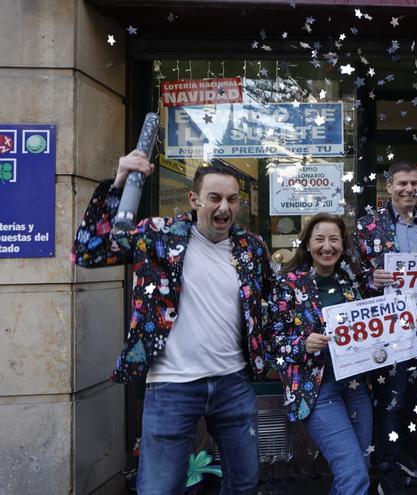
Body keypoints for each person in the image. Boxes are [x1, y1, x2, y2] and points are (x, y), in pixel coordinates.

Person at [71, 151, 272, 494]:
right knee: (160, 488)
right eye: (214, 198)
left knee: (244, 483)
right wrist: (117, 183)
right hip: (172, 385)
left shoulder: (251, 247)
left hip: (232, 383)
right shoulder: (158, 234)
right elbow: (89, 251)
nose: (224, 207)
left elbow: (270, 299)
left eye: (232, 199)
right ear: (194, 199)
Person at [353, 161, 417, 495]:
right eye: (402, 184)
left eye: (414, 184)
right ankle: (388, 468)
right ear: (388, 186)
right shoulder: (368, 226)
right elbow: (352, 274)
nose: (408, 189)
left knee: (416, 393)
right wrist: (369, 278)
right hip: (388, 328)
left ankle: (400, 448)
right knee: (390, 396)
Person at [268, 213, 372, 495]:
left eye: (334, 239)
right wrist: (303, 344)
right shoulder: (287, 284)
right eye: (320, 239)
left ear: (343, 245)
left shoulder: (351, 283)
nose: (327, 246)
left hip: (356, 387)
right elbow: (272, 343)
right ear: (307, 245)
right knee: (354, 476)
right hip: (318, 392)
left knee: (354, 472)